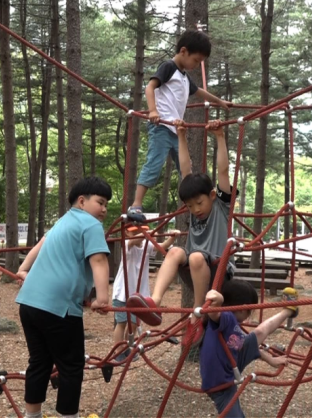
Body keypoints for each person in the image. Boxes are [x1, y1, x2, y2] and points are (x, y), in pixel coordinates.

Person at [127, 121, 236, 343]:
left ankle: (197, 313)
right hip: (196, 268)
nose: (195, 209)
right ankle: (154, 302)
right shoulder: (196, 205)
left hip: (219, 269)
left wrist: (220, 137)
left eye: (199, 203)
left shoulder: (221, 207)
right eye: (189, 205)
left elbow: (223, 171)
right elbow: (186, 170)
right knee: (176, 251)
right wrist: (181, 136)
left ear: (212, 195)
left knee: (195, 255)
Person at [14, 176, 112, 418]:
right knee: (71, 366)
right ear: (82, 201)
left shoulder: (62, 222)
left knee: (39, 362)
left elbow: (41, 243)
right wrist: (102, 298)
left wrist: (24, 268)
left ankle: (32, 415)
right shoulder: (90, 225)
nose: (104, 209)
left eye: (106, 204)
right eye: (100, 202)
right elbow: (99, 260)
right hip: (58, 308)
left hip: (29, 303)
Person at [126, 29, 231, 223]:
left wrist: (220, 102)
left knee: (186, 170)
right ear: (183, 51)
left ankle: (194, 203)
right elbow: (150, 87)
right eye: (196, 60)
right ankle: (136, 204)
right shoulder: (168, 67)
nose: (196, 65)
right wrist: (153, 111)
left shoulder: (183, 77)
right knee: (154, 164)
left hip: (176, 130)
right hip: (161, 126)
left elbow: (199, 91)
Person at [200, 280, 296, 418]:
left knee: (260, 332)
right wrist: (217, 300)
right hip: (220, 384)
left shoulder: (233, 323)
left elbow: (246, 346)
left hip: (230, 364)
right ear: (243, 308)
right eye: (250, 311)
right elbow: (213, 313)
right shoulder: (226, 317)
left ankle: (288, 310)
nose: (250, 315)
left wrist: (271, 360)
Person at [112, 225, 179, 362]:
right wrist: (144, 235)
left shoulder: (146, 246)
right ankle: (118, 350)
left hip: (139, 295)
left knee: (135, 323)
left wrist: (172, 238)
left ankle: (126, 346)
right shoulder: (126, 244)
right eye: (135, 232)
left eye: (141, 230)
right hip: (123, 292)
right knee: (122, 322)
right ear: (127, 233)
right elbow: (133, 241)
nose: (139, 233)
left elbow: (162, 246)